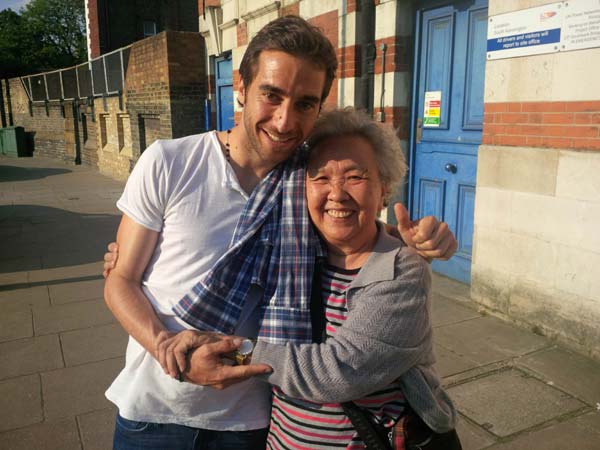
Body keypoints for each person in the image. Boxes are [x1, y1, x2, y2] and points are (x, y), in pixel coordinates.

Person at [103, 15, 457, 450]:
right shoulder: (169, 162)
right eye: (271, 95)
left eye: (305, 103)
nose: (285, 120)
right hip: (155, 410)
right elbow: (119, 280)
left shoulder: (303, 180)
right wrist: (167, 347)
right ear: (241, 87)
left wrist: (413, 241)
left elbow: (351, 221)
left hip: (252, 422)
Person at [159, 108, 462, 450]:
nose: (336, 193)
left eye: (355, 176)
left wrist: (233, 352)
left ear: (384, 190)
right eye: (319, 177)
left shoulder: (401, 270)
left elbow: (339, 370)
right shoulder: (293, 255)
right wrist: (132, 255)